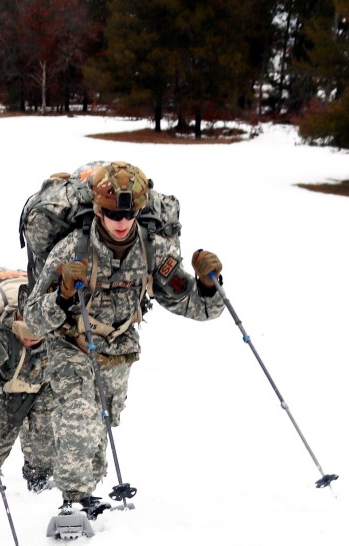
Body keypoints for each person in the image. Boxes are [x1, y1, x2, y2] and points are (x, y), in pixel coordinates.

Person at [24, 160, 225, 523]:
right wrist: (63, 295)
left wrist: (209, 286)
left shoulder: (155, 249)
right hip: (71, 343)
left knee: (102, 420)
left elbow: (193, 305)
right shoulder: (73, 248)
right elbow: (34, 318)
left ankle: (86, 492)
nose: (121, 222)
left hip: (118, 348)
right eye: (113, 214)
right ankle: (73, 500)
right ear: (98, 210)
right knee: (79, 418)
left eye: (129, 214)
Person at [0, 296, 55, 496]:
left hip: (42, 390)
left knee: (44, 437)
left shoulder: (53, 330)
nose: (31, 341)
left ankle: (38, 477)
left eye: (36, 338)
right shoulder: (2, 336)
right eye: (27, 336)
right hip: (9, 392)